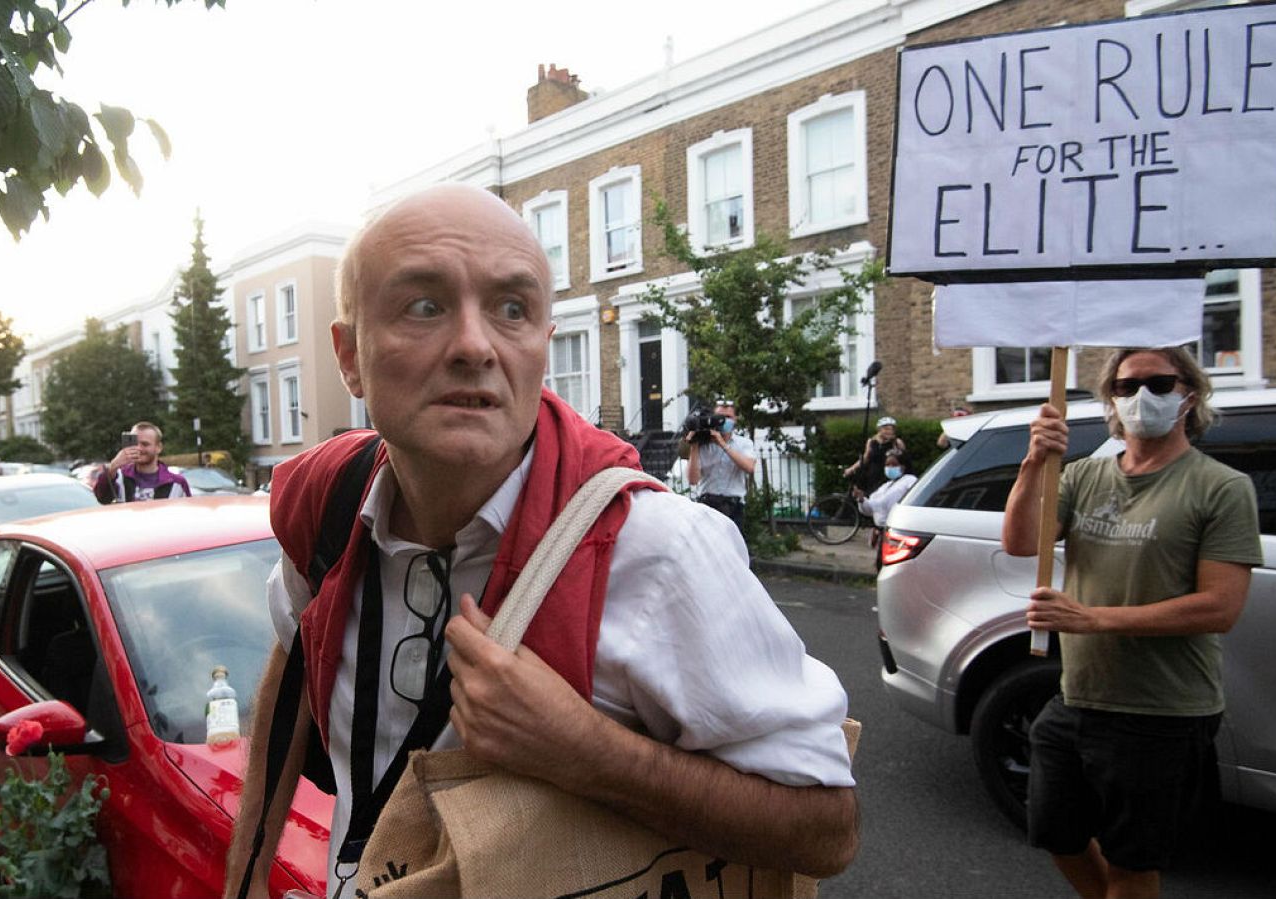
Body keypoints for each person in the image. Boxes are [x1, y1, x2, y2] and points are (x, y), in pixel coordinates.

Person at [224, 185, 857, 896]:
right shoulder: (330, 503)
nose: (474, 345)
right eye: (424, 305)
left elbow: (826, 826)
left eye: (512, 309)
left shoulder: (658, 548)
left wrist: (587, 752)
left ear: (541, 349)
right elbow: (292, 665)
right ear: (349, 355)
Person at [1001, 347, 1262, 899]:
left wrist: (1091, 618)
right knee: (1054, 831)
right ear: (1111, 402)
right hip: (1077, 696)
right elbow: (1021, 541)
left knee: (1131, 863)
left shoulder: (1220, 487)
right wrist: (1032, 463)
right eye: (1124, 386)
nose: (1140, 396)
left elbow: (1220, 607)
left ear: (1189, 395)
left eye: (1159, 383)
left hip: (1160, 712)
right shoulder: (1084, 475)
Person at [685, 400, 756, 530]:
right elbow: (693, 480)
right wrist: (694, 446)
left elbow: (749, 467)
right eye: (720, 417)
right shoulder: (704, 445)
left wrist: (723, 444)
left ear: (735, 419)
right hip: (707, 504)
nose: (723, 420)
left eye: (728, 417)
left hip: (733, 506)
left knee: (732, 548)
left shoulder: (744, 444)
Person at [94, 421, 191, 503]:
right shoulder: (119, 477)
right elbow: (102, 499)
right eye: (135, 443)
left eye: (145, 444)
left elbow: (188, 516)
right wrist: (113, 467)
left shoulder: (177, 483)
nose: (139, 448)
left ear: (158, 447)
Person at [854, 448, 917, 569]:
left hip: (894, 532)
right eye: (887, 464)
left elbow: (910, 499)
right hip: (881, 533)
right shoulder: (885, 486)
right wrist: (861, 499)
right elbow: (870, 509)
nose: (890, 467)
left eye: (894, 464)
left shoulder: (909, 481)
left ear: (903, 466)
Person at [844, 415, 910, 493]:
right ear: (879, 430)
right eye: (886, 429)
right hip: (873, 476)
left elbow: (905, 460)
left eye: (892, 429)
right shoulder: (872, 442)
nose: (889, 431)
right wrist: (852, 469)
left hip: (889, 475)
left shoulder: (897, 442)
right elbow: (865, 458)